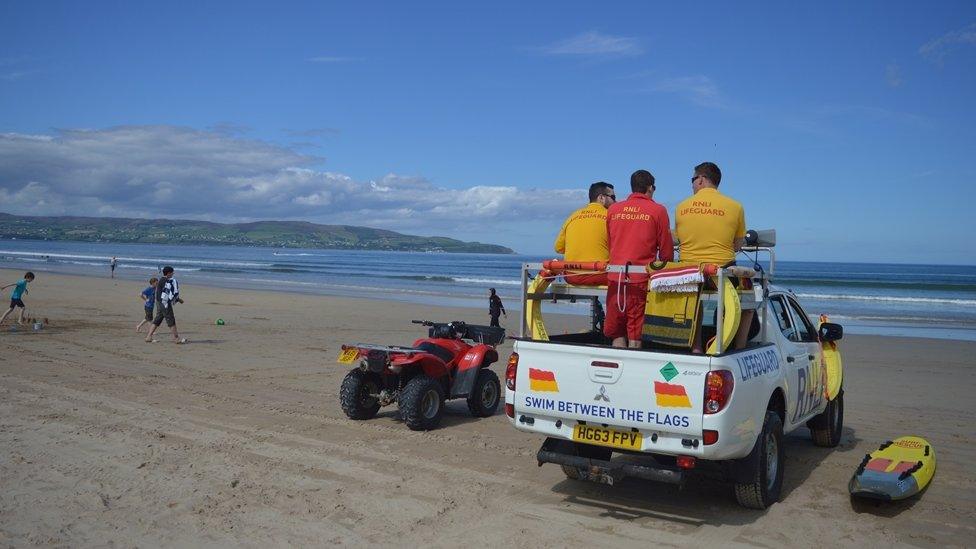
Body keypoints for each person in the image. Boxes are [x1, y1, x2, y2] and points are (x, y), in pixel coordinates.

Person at [675, 161, 753, 352]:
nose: (692, 184)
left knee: (694, 301)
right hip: (722, 272)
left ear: (701, 179)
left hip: (689, 274)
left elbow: (679, 238)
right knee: (749, 302)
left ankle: (696, 347)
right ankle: (737, 347)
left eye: (693, 180)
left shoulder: (681, 206)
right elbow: (738, 244)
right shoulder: (735, 206)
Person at [604, 170, 673, 348]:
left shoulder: (614, 210)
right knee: (636, 333)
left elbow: (611, 243)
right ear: (650, 187)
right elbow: (666, 252)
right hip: (639, 280)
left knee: (617, 331)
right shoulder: (658, 210)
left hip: (615, 278)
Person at [554, 181, 616, 285]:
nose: (615, 201)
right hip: (600, 275)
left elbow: (558, 248)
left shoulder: (573, 216)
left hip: (571, 276)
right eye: (613, 197)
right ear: (601, 198)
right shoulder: (611, 216)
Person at [145, 266, 186, 344]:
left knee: (158, 319)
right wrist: (178, 299)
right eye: (172, 272)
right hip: (164, 302)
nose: (173, 273)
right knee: (170, 318)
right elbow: (168, 293)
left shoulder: (163, 280)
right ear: (168, 273)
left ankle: (148, 337)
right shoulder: (165, 281)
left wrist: (177, 299)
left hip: (159, 302)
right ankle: (176, 338)